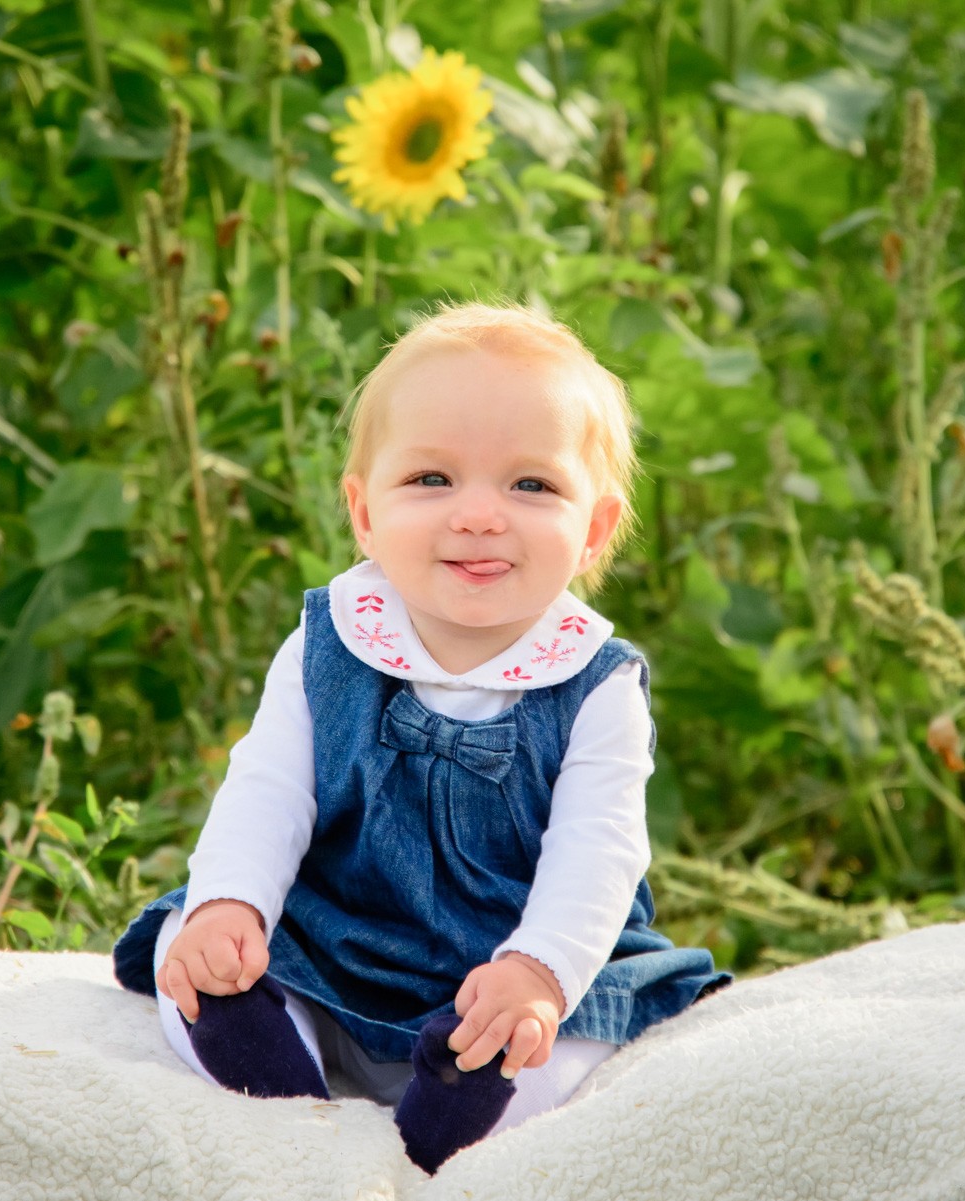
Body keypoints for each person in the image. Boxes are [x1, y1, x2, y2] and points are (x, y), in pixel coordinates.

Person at [112, 301, 728, 1174]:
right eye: (432, 479)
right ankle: (280, 1084)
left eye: (531, 485)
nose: (478, 515)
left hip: (508, 962)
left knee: (573, 1046)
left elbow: (598, 852)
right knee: (197, 961)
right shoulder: (333, 639)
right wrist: (230, 904)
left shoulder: (596, 680)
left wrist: (539, 975)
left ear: (593, 529)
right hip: (334, 940)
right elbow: (268, 789)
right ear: (365, 513)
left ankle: (457, 1106)